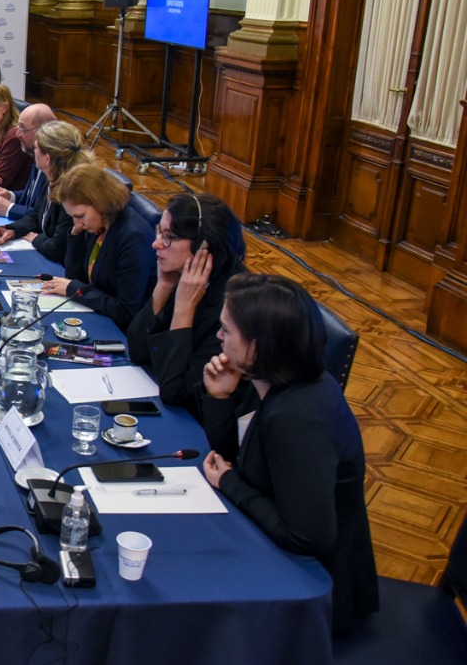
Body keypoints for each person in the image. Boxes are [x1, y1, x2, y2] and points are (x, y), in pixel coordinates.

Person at [202, 273, 378, 635]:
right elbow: (239, 456)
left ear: (258, 345)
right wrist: (221, 398)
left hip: (309, 598)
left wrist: (230, 483)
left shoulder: (298, 418)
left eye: (227, 331)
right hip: (274, 550)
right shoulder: (273, 379)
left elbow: (307, 537)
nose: (218, 337)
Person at [126, 193, 251, 455]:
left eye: (168, 237)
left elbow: (174, 391)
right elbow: (137, 351)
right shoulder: (181, 275)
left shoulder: (233, 308)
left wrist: (183, 308)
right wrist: (163, 287)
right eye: (160, 232)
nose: (156, 244)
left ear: (204, 247)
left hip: (206, 436)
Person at [41, 162, 154, 328]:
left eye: (80, 216)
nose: (77, 222)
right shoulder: (99, 224)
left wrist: (75, 289)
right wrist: (75, 235)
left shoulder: (133, 237)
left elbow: (126, 311)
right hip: (99, 314)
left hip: (119, 330)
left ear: (99, 202)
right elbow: (75, 278)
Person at [0, 120, 94, 263]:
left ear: (47, 158)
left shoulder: (73, 192)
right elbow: (36, 215)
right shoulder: (51, 177)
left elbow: (58, 249)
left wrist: (36, 238)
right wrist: (12, 230)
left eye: (36, 148)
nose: (33, 152)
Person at [0, 102, 57, 219]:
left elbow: (44, 217)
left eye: (22, 128)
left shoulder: (54, 166)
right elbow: (33, 196)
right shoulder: (35, 154)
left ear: (41, 131)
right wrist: (11, 195)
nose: (17, 134)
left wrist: (10, 209)